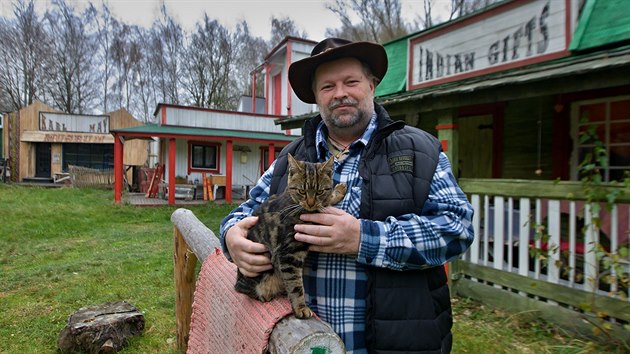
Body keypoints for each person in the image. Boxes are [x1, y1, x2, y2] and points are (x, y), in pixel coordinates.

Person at [220, 38, 474, 354]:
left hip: (398, 345)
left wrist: (362, 239)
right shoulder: (290, 160)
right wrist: (232, 237)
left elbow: (457, 228)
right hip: (298, 342)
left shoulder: (418, 150)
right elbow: (242, 214)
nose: (340, 93)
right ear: (316, 97)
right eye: (327, 86)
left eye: (350, 81)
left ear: (372, 84)